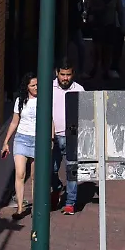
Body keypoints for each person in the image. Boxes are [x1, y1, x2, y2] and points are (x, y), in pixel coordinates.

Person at [0, 73, 38, 219]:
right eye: (33, 85)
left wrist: (50, 139)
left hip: (37, 140)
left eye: (37, 84)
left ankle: (36, 206)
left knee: (35, 176)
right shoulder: (20, 101)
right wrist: (5, 142)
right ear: (26, 87)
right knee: (20, 173)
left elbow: (50, 120)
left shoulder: (44, 99)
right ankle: (20, 208)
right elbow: (14, 122)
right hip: (21, 138)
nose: (36, 87)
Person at [51, 60, 85, 214]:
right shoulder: (48, 88)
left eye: (68, 75)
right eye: (62, 74)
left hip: (72, 137)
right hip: (53, 137)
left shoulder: (79, 89)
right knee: (50, 170)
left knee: (72, 171)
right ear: (57, 73)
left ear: (73, 74)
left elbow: (85, 115)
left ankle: (70, 202)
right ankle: (57, 187)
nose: (65, 78)